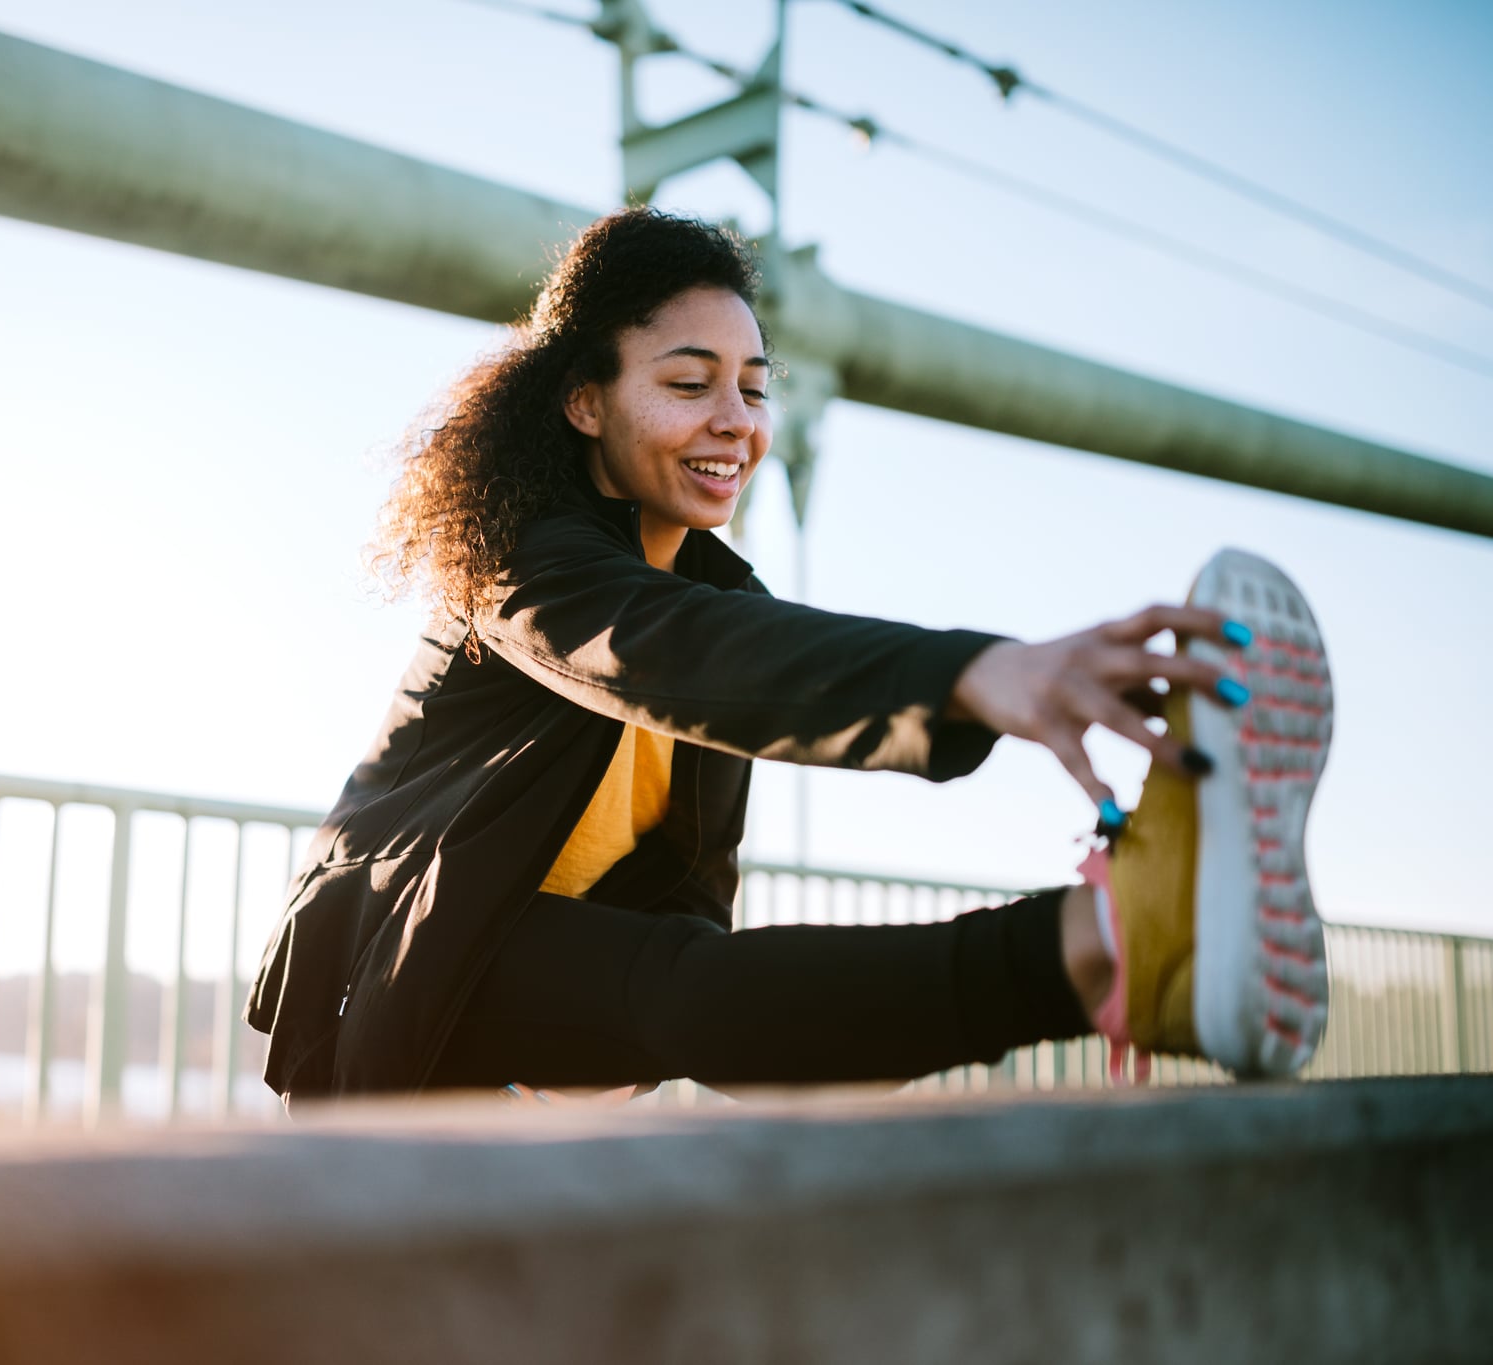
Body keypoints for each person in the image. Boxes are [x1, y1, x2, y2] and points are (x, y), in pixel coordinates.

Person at [244, 206, 1332, 1108]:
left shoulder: (725, 601)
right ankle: (1114, 942)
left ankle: (1150, 957)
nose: (736, 423)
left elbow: (697, 868)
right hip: (395, 980)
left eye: (753, 388)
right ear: (583, 400)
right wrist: (978, 674)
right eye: (687, 383)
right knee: (685, 993)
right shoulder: (520, 564)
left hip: (552, 1030)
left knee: (699, 996)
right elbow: (666, 650)